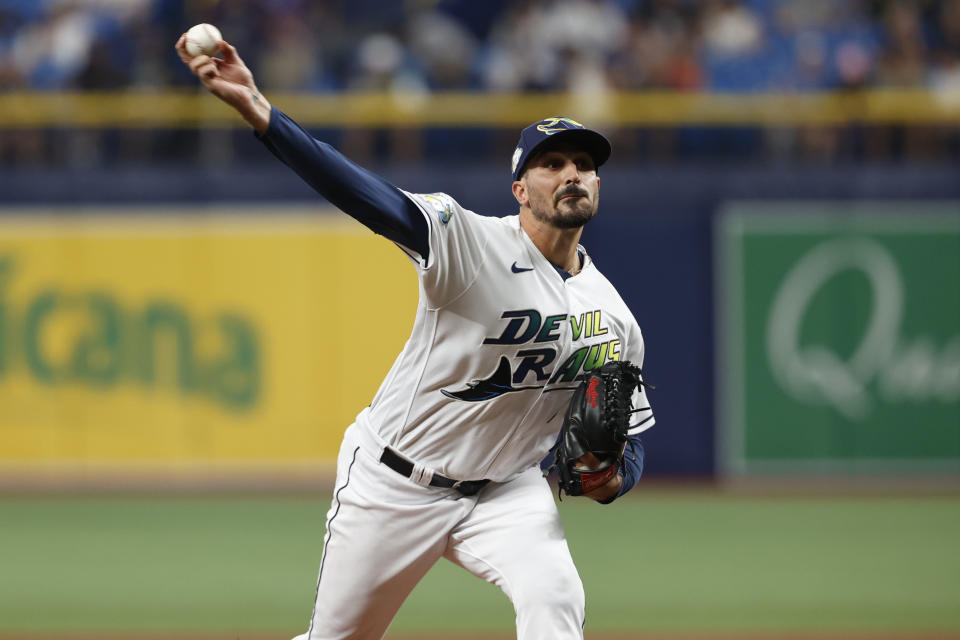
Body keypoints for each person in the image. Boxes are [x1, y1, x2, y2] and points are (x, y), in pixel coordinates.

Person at [176, 33, 655, 640]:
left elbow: (629, 444)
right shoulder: (471, 243)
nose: (572, 175)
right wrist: (261, 114)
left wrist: (611, 478)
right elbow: (362, 193)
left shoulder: (614, 317)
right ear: (520, 189)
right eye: (551, 164)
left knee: (555, 596)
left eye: (584, 166)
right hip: (395, 481)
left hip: (505, 491)